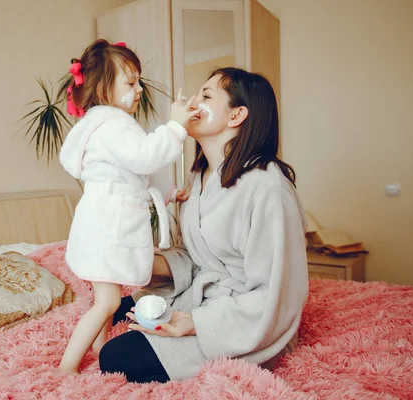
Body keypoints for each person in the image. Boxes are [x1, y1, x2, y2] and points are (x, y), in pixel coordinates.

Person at [98, 67, 309, 383]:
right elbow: (194, 257)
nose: (192, 103)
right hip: (205, 296)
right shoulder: (199, 178)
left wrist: (195, 322)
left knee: (114, 356)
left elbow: (274, 292)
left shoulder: (268, 188)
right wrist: (134, 258)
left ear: (237, 115)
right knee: (117, 307)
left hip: (244, 320)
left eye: (206, 96)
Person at [57, 39, 199, 374]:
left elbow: (137, 173)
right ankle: (66, 367)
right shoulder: (113, 125)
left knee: (108, 295)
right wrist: (176, 127)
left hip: (101, 222)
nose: (138, 91)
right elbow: (147, 156)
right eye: (131, 83)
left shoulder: (100, 125)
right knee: (107, 302)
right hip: (108, 226)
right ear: (104, 88)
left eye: (139, 82)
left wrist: (170, 192)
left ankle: (101, 347)